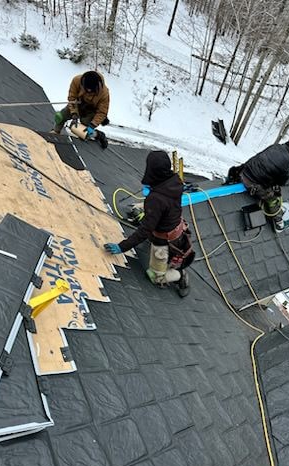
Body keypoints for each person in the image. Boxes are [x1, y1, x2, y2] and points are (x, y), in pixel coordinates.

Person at [104, 150, 195, 297]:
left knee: (155, 276)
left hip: (165, 242)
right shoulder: (175, 181)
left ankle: (180, 275)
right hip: (175, 230)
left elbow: (144, 231)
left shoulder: (156, 199)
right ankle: (168, 264)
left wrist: (122, 247)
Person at [225, 140, 289, 231]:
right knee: (271, 199)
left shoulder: (274, 146)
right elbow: (282, 181)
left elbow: (259, 158)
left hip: (243, 172)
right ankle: (279, 221)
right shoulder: (288, 161)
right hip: (252, 183)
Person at [52, 71, 109, 149]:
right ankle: (55, 132)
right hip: (78, 105)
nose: (88, 91)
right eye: (86, 89)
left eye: (91, 90)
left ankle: (98, 135)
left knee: (83, 132)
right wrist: (74, 113)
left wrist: (92, 125)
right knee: (61, 116)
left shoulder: (104, 93)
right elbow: (72, 98)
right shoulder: (76, 81)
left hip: (91, 111)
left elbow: (102, 112)